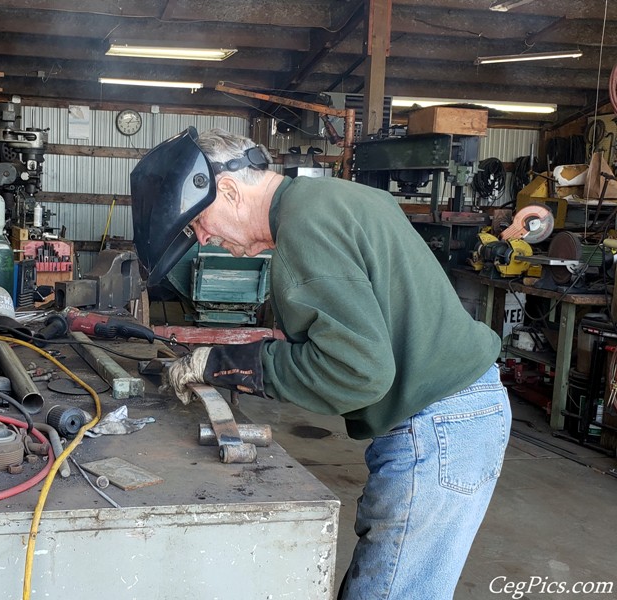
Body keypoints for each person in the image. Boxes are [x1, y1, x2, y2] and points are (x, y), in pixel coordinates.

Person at [130, 126, 511, 600]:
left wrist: (229, 365)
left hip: (438, 423)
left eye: (197, 224)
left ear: (227, 189)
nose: (204, 239)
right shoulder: (329, 197)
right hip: (459, 413)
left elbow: (357, 371)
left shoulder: (303, 226)